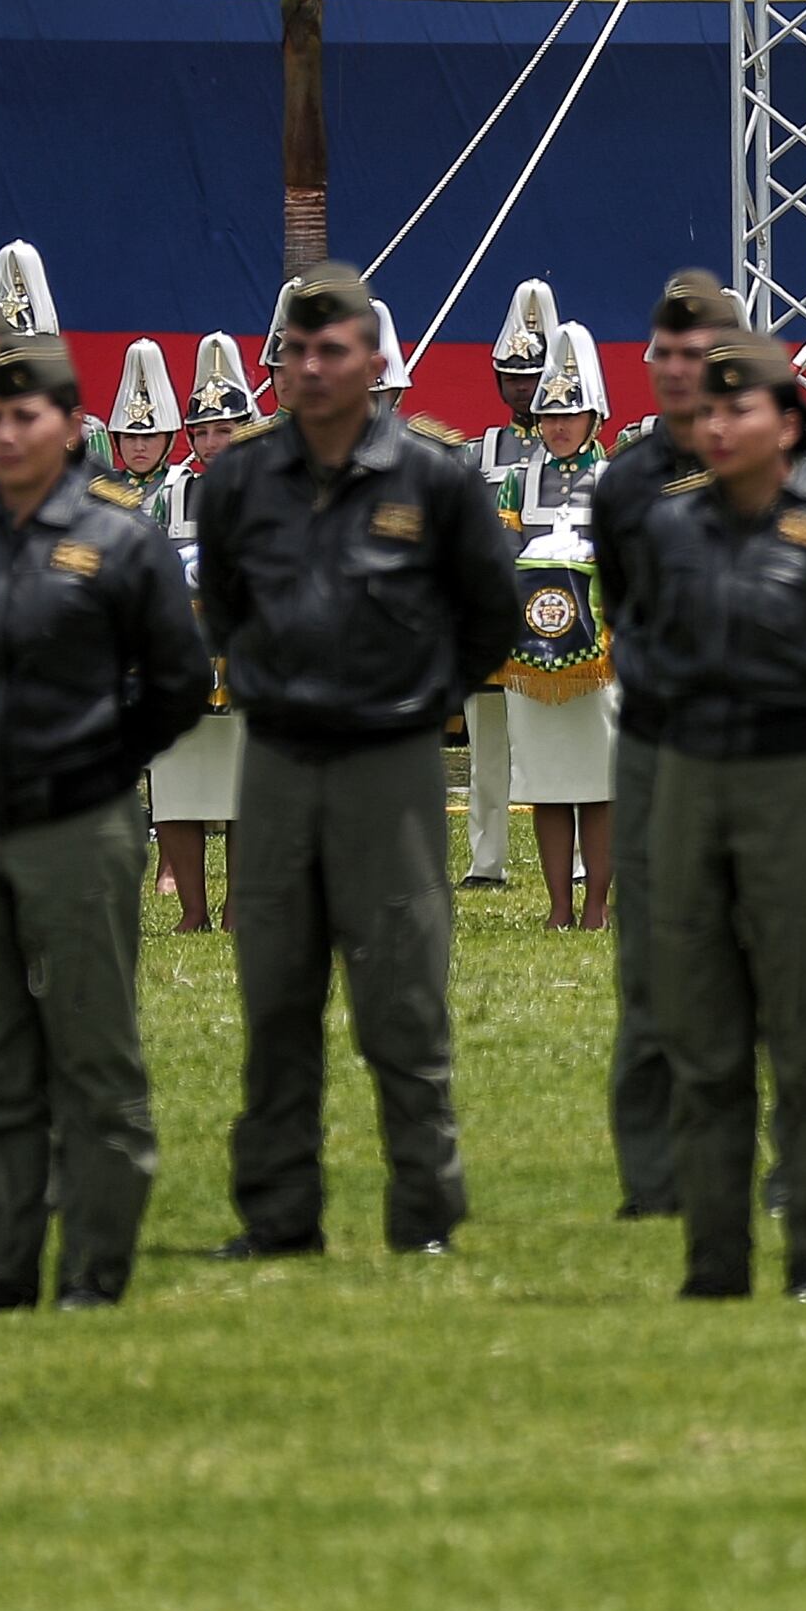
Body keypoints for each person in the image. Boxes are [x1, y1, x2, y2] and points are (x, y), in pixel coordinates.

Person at [190, 263, 517, 1265]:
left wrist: (420, 701)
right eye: (295, 350)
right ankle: (278, 1216)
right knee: (275, 996)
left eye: (333, 350)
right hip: (280, 763)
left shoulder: (436, 475)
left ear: (375, 363)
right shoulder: (240, 478)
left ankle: (424, 1213)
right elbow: (228, 608)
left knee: (403, 1002)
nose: (312, 367)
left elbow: (491, 612)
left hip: (391, 770)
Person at [0, 334, 215, 1310]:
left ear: (73, 429)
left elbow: (178, 682)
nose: (6, 431)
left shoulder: (121, 537)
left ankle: (95, 1264)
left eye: (26, 415)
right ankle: (3, 1263)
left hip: (78, 824)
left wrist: (101, 765)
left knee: (92, 1047)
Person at [622, 332, 806, 1300]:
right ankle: (714, 1259)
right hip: (691, 783)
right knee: (700, 1034)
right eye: (705, 410)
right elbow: (640, 647)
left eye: (735, 407)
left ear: (787, 422)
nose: (714, 424)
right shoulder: (669, 530)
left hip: (800, 780)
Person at [588, 273, 742, 1219]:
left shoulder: (775, 462)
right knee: (650, 968)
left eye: (698, 354)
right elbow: (623, 604)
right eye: (664, 355)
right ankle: (651, 1179)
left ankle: (747, 1162)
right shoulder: (626, 481)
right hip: (655, 747)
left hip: (755, 746)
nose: (679, 370)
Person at [493, 322, 622, 929]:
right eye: (548, 415)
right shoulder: (520, 478)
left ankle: (596, 904)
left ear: (595, 416)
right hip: (530, 654)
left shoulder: (617, 479)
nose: (557, 426)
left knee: (598, 783)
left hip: (599, 653)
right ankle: (558, 905)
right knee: (546, 783)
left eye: (570, 415)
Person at [462, 278, 563, 894]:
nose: (521, 389)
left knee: (559, 740)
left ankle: (575, 861)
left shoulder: (587, 451)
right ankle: (485, 861)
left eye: (531, 377)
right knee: (486, 750)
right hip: (493, 617)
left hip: (556, 619)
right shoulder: (479, 451)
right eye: (511, 377)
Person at [137, 336, 240, 933]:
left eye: (221, 430)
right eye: (201, 431)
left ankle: (236, 906)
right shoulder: (170, 490)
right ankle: (192, 910)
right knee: (177, 782)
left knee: (240, 787)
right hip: (180, 649)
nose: (209, 442)